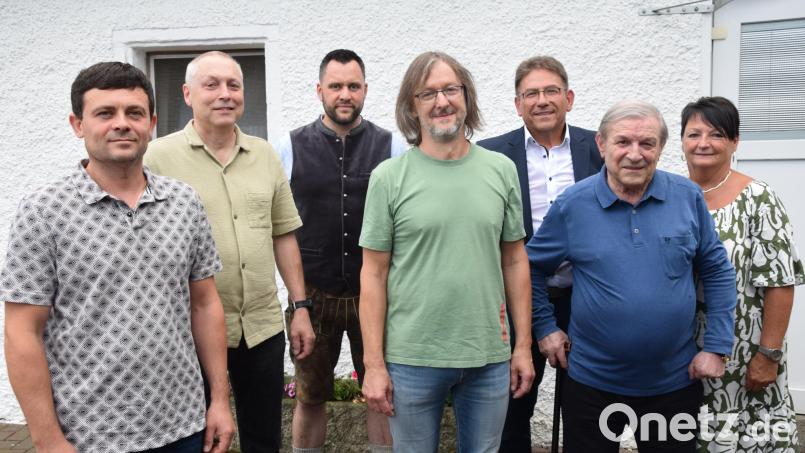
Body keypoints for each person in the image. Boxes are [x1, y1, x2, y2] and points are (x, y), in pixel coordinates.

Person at [1, 62, 234, 453]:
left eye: (134, 113)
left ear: (152, 123)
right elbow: (21, 332)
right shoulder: (43, 212)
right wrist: (47, 439)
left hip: (184, 425)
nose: (122, 124)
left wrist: (220, 401)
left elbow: (205, 304)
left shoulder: (184, 203)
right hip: (88, 435)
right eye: (105, 113)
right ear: (78, 124)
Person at [528, 100, 737, 452]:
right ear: (602, 144)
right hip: (591, 384)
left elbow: (716, 270)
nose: (635, 154)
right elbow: (530, 267)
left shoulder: (686, 197)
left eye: (647, 143)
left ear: (661, 147)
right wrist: (545, 327)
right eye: (623, 142)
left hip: (673, 384)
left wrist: (717, 346)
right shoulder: (573, 204)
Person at [359, 51, 535, 453]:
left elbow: (514, 260)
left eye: (451, 90)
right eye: (428, 93)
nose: (442, 101)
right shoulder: (388, 178)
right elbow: (373, 274)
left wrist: (522, 346)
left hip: (488, 356)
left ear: (466, 97)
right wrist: (373, 364)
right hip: (412, 358)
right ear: (412, 106)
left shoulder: (501, 170)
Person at [144, 51, 315, 453]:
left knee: (264, 439)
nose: (225, 94)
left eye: (233, 85)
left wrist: (300, 307)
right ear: (187, 94)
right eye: (212, 85)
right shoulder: (157, 158)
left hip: (260, 326)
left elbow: (283, 234)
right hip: (190, 330)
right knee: (201, 438)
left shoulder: (265, 155)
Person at [275, 49, 404, 453]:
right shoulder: (289, 146)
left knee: (381, 394)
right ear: (319, 90)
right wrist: (298, 304)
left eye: (353, 86)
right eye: (335, 86)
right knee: (310, 396)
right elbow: (279, 225)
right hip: (313, 295)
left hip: (376, 295)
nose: (344, 94)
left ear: (365, 89)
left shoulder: (392, 146)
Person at [477, 55, 602, 452]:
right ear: (518, 104)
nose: (542, 100)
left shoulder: (600, 149)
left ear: (569, 98)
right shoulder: (491, 156)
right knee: (512, 409)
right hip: (517, 300)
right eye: (531, 93)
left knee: (587, 413)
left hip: (587, 300)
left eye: (551, 91)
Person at [681, 96, 803, 452]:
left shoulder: (759, 199)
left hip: (743, 353)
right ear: (682, 141)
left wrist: (768, 355)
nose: (703, 143)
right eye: (694, 134)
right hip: (682, 353)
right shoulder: (673, 196)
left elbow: (780, 282)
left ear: (735, 142)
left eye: (716, 134)